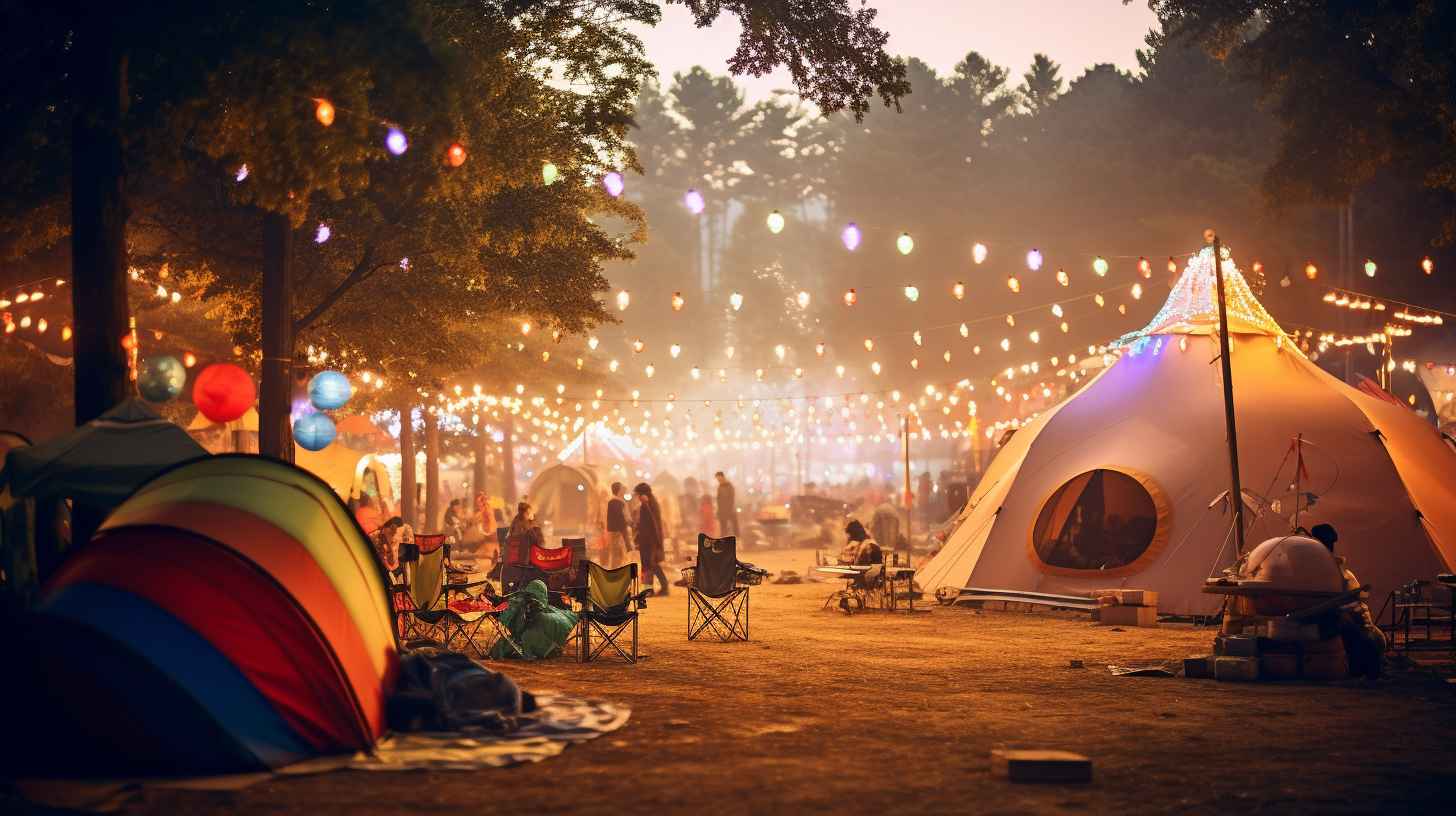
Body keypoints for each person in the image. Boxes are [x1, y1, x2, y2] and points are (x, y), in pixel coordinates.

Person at [1311, 523, 1386, 680]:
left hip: (1340, 616)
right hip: (1346, 616)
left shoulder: (1333, 569)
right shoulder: (1338, 569)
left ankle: (1361, 667)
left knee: (1355, 632)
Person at [634, 482, 670, 596]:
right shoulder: (650, 503)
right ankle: (651, 589)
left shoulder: (648, 504)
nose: (637, 498)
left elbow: (652, 524)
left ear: (643, 495)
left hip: (649, 541)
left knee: (651, 564)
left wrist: (655, 541)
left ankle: (655, 588)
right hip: (648, 540)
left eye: (638, 495)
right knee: (650, 564)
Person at [606, 482, 632, 569]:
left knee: (617, 553)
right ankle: (615, 572)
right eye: (622, 489)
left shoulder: (614, 502)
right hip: (618, 532)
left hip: (616, 531)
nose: (624, 491)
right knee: (617, 553)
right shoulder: (617, 502)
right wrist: (625, 531)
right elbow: (620, 518)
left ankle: (616, 571)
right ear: (619, 491)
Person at [715, 471, 738, 538]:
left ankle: (737, 539)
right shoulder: (720, 486)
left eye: (719, 479)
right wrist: (719, 510)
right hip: (722, 510)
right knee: (723, 527)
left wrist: (729, 509)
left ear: (723, 477)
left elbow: (731, 498)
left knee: (734, 525)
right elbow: (718, 499)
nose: (718, 480)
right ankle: (723, 539)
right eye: (717, 479)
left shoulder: (729, 486)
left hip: (730, 509)